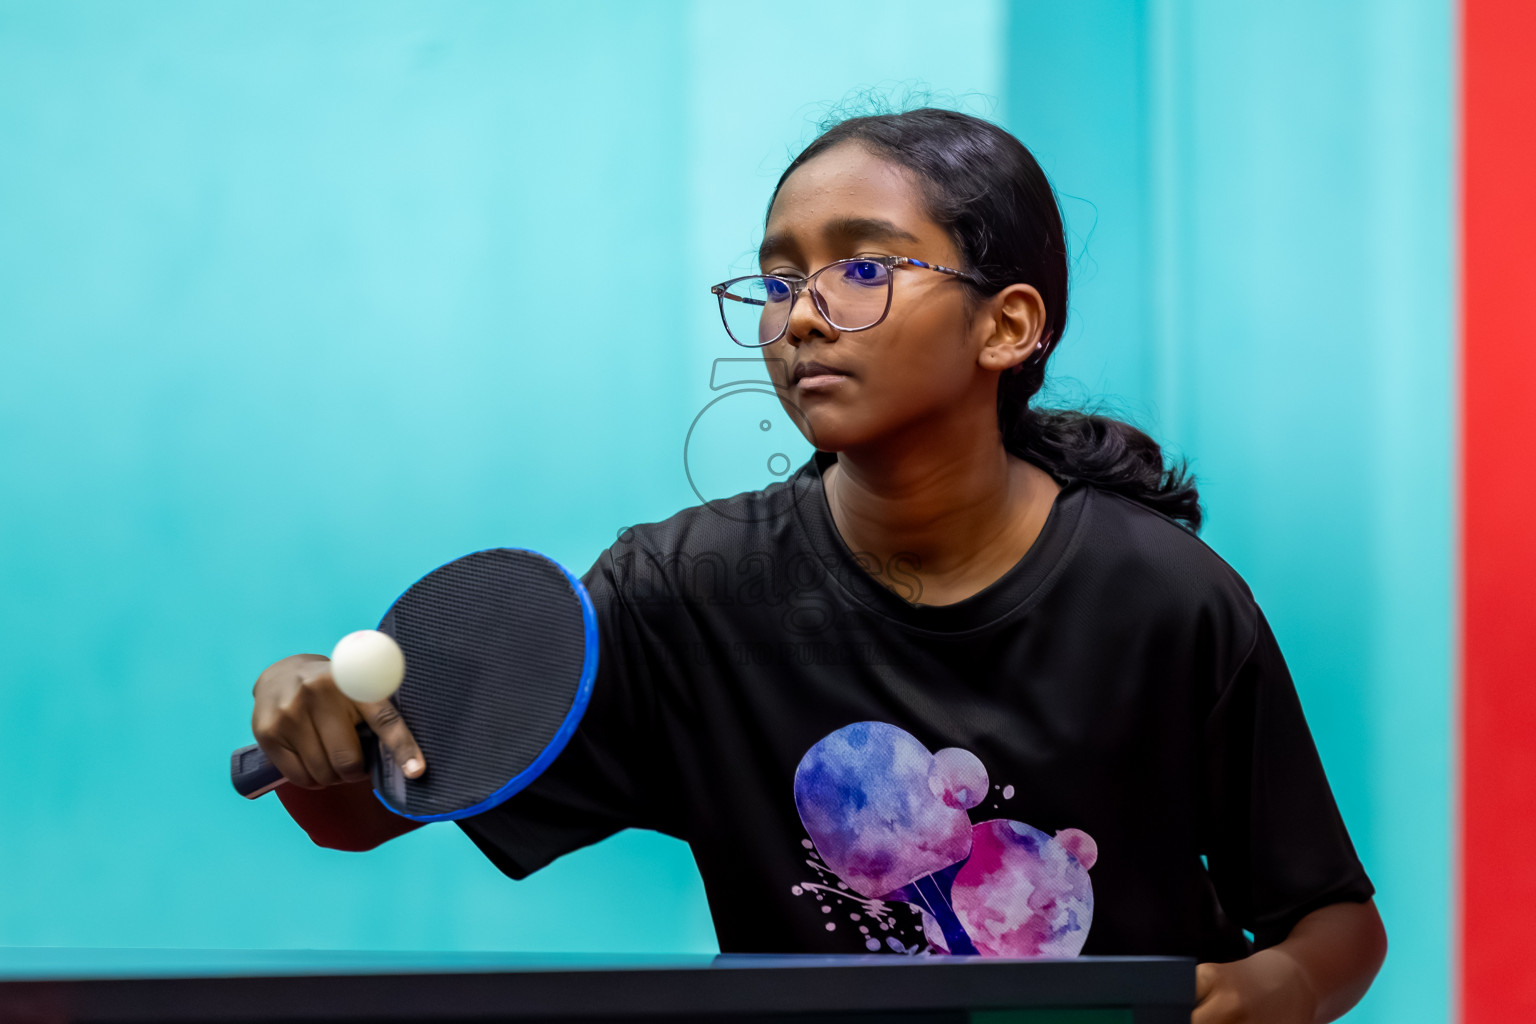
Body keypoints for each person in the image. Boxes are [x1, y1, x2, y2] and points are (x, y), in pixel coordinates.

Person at [250, 108, 1386, 1023]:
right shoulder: (682, 591)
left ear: (1008, 327)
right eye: (779, 280)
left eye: (860, 270)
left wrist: (1273, 989)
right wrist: (325, 724)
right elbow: (364, 812)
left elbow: (1332, 918)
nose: (800, 318)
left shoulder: (1165, 596)